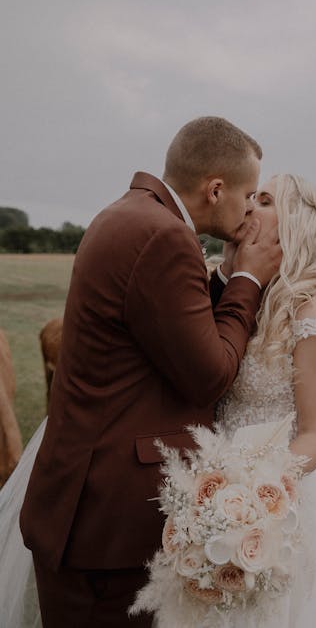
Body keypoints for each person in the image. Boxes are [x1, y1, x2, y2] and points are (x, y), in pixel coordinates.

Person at [14, 116, 281, 628]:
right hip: (104, 528)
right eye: (248, 194)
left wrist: (222, 278)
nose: (250, 208)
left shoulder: (131, 216)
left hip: (82, 507)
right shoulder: (164, 237)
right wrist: (249, 277)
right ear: (216, 188)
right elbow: (209, 374)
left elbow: (168, 329)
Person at [132, 173, 316, 627]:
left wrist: (251, 495)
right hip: (203, 495)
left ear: (293, 226)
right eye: (252, 197)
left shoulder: (313, 313)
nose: (249, 207)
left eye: (264, 200)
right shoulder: (233, 294)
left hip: (273, 502)